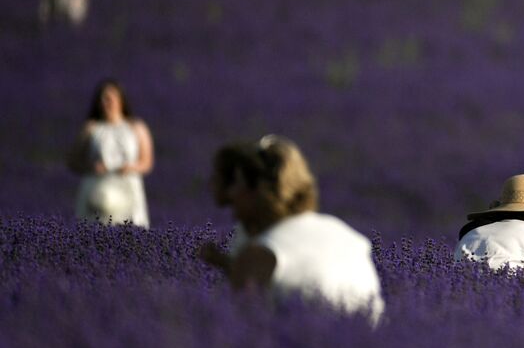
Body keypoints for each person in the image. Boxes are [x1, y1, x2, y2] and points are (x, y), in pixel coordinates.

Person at [198, 136, 385, 323]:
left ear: (259, 190)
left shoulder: (259, 255)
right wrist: (227, 265)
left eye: (237, 183)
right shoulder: (345, 234)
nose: (231, 193)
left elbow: (245, 331)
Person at [68, 80, 153, 227]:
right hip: (96, 191)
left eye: (109, 98)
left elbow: (147, 162)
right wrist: (91, 167)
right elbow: (73, 161)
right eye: (101, 98)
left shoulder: (137, 128)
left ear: (120, 100)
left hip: (128, 189)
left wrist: (131, 168)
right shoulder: (91, 128)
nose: (105, 102)